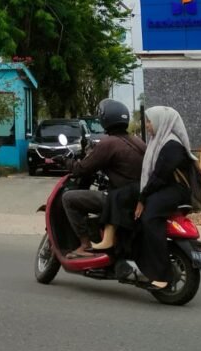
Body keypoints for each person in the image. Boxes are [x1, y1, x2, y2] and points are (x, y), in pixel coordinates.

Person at [92, 106, 198, 289]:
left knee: (150, 217)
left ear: (161, 122)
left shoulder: (172, 145)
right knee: (119, 195)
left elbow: (159, 176)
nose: (147, 125)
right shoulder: (159, 141)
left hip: (175, 190)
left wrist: (143, 198)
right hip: (165, 187)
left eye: (149, 121)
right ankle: (115, 242)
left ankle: (162, 275)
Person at [61, 99, 146, 259]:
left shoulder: (108, 144)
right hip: (137, 196)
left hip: (119, 198)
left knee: (68, 199)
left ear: (104, 119)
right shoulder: (138, 141)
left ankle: (85, 245)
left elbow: (82, 169)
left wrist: (67, 161)